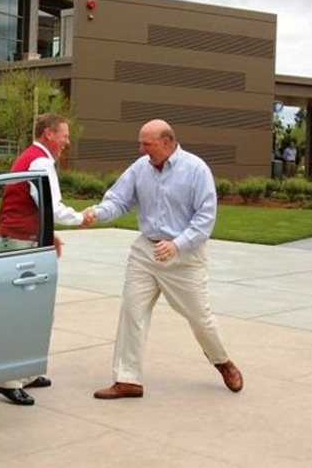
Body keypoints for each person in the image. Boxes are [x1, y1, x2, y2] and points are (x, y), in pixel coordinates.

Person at [83, 119, 243, 400]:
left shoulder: (196, 170)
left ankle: (221, 360)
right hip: (146, 252)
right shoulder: (140, 168)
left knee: (200, 317)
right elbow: (119, 200)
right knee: (132, 312)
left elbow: (205, 219)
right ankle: (128, 380)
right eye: (140, 143)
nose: (141, 149)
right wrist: (97, 212)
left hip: (184, 256)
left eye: (147, 144)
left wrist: (177, 245)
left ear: (168, 142)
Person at [0, 112, 92, 406]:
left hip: (21, 238)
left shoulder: (31, 158)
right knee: (21, 311)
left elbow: (35, 205)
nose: (67, 142)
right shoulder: (41, 162)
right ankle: (6, 379)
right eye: (65, 135)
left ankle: (27, 372)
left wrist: (47, 234)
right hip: (20, 243)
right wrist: (80, 218)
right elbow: (51, 205)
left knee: (33, 309)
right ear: (49, 133)